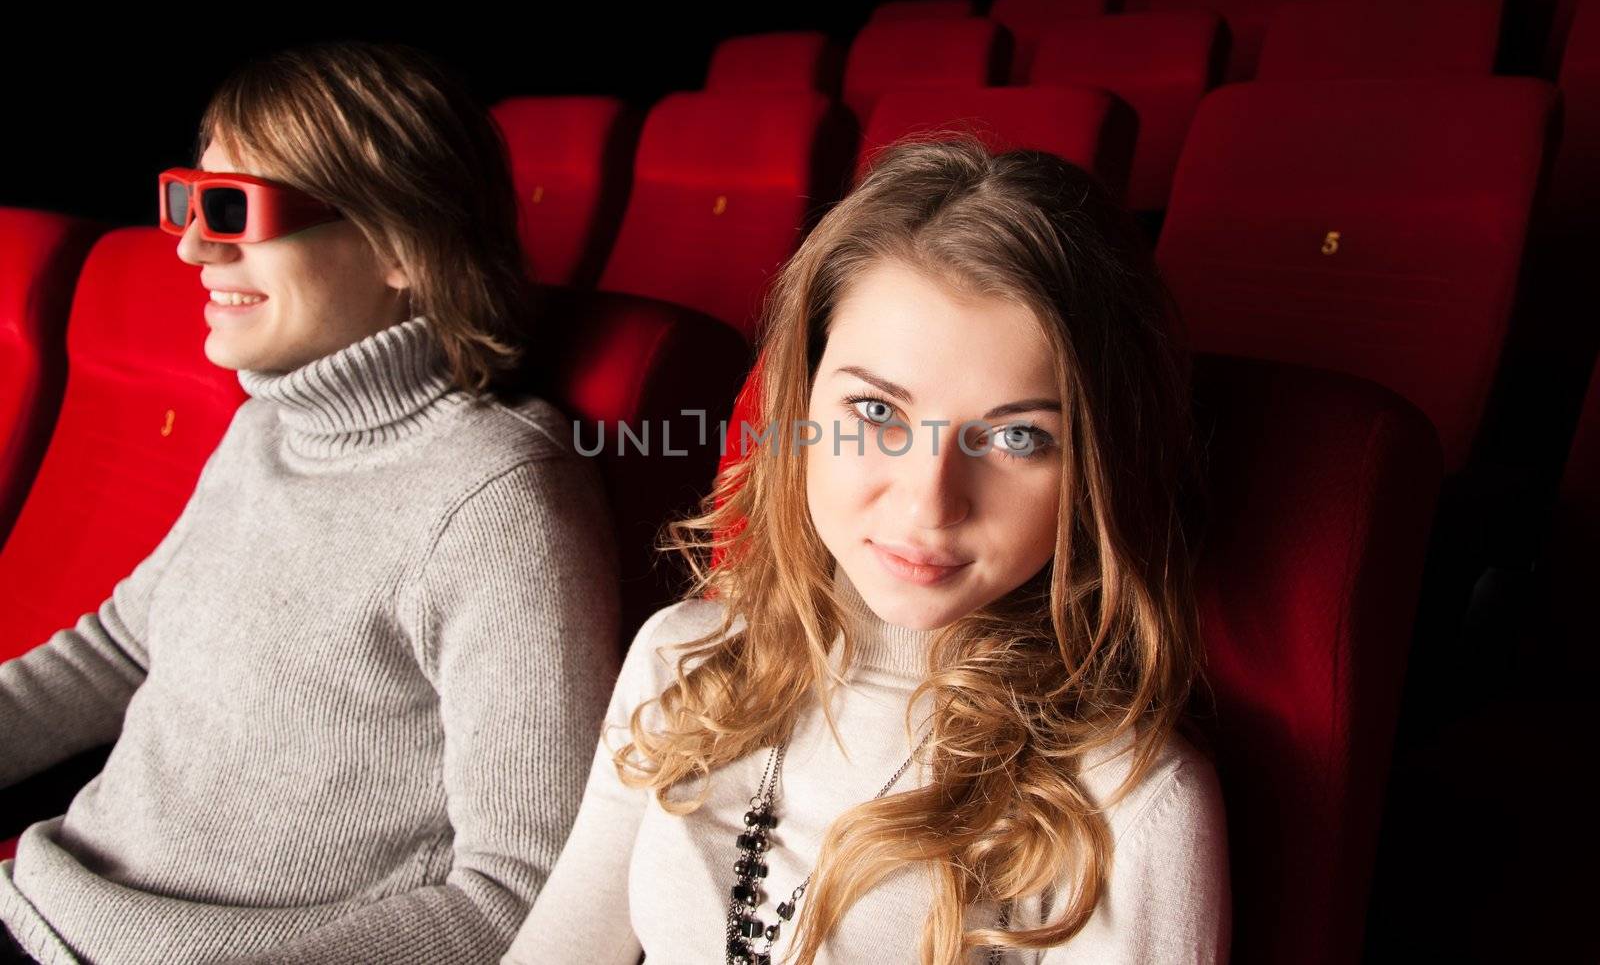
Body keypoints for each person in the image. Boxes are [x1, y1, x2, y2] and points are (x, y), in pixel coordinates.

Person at [505, 138, 1231, 965]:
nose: (929, 502)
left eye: (1018, 435)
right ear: (800, 403)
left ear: (1099, 466)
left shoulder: (1131, 801)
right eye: (878, 413)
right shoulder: (682, 658)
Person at [0, 41, 621, 964]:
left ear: (404, 243)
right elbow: (120, 644)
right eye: (187, 198)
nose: (192, 245)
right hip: (38, 903)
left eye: (234, 209)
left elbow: (519, 890)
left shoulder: (500, 498)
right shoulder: (267, 427)